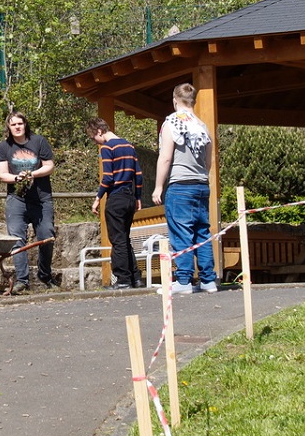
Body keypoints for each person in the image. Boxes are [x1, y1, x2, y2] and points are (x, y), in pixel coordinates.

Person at [151, 83, 219, 294]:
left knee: (181, 231)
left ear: (174, 99)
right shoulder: (202, 125)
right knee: (202, 231)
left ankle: (183, 280)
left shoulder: (171, 122)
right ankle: (208, 280)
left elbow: (166, 157)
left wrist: (158, 187)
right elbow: (209, 161)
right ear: (193, 101)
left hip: (180, 184)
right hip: (201, 184)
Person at [0, 111, 56, 293]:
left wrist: (32, 174)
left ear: (25, 124)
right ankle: (22, 280)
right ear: (9, 127)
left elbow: (49, 165)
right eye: (13, 125)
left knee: (47, 235)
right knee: (16, 238)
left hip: (41, 198)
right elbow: (2, 174)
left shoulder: (38, 141)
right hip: (16, 198)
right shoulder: (4, 147)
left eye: (20, 124)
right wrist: (17, 178)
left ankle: (45, 275)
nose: (17, 127)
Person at [85, 117, 143, 289]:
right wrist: (138, 197)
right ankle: (136, 278)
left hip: (116, 197)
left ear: (99, 132)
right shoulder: (128, 146)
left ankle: (123, 280)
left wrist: (97, 198)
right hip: (129, 197)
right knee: (125, 238)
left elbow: (108, 177)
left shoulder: (107, 147)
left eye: (93, 138)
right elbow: (138, 175)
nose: (95, 142)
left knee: (117, 240)